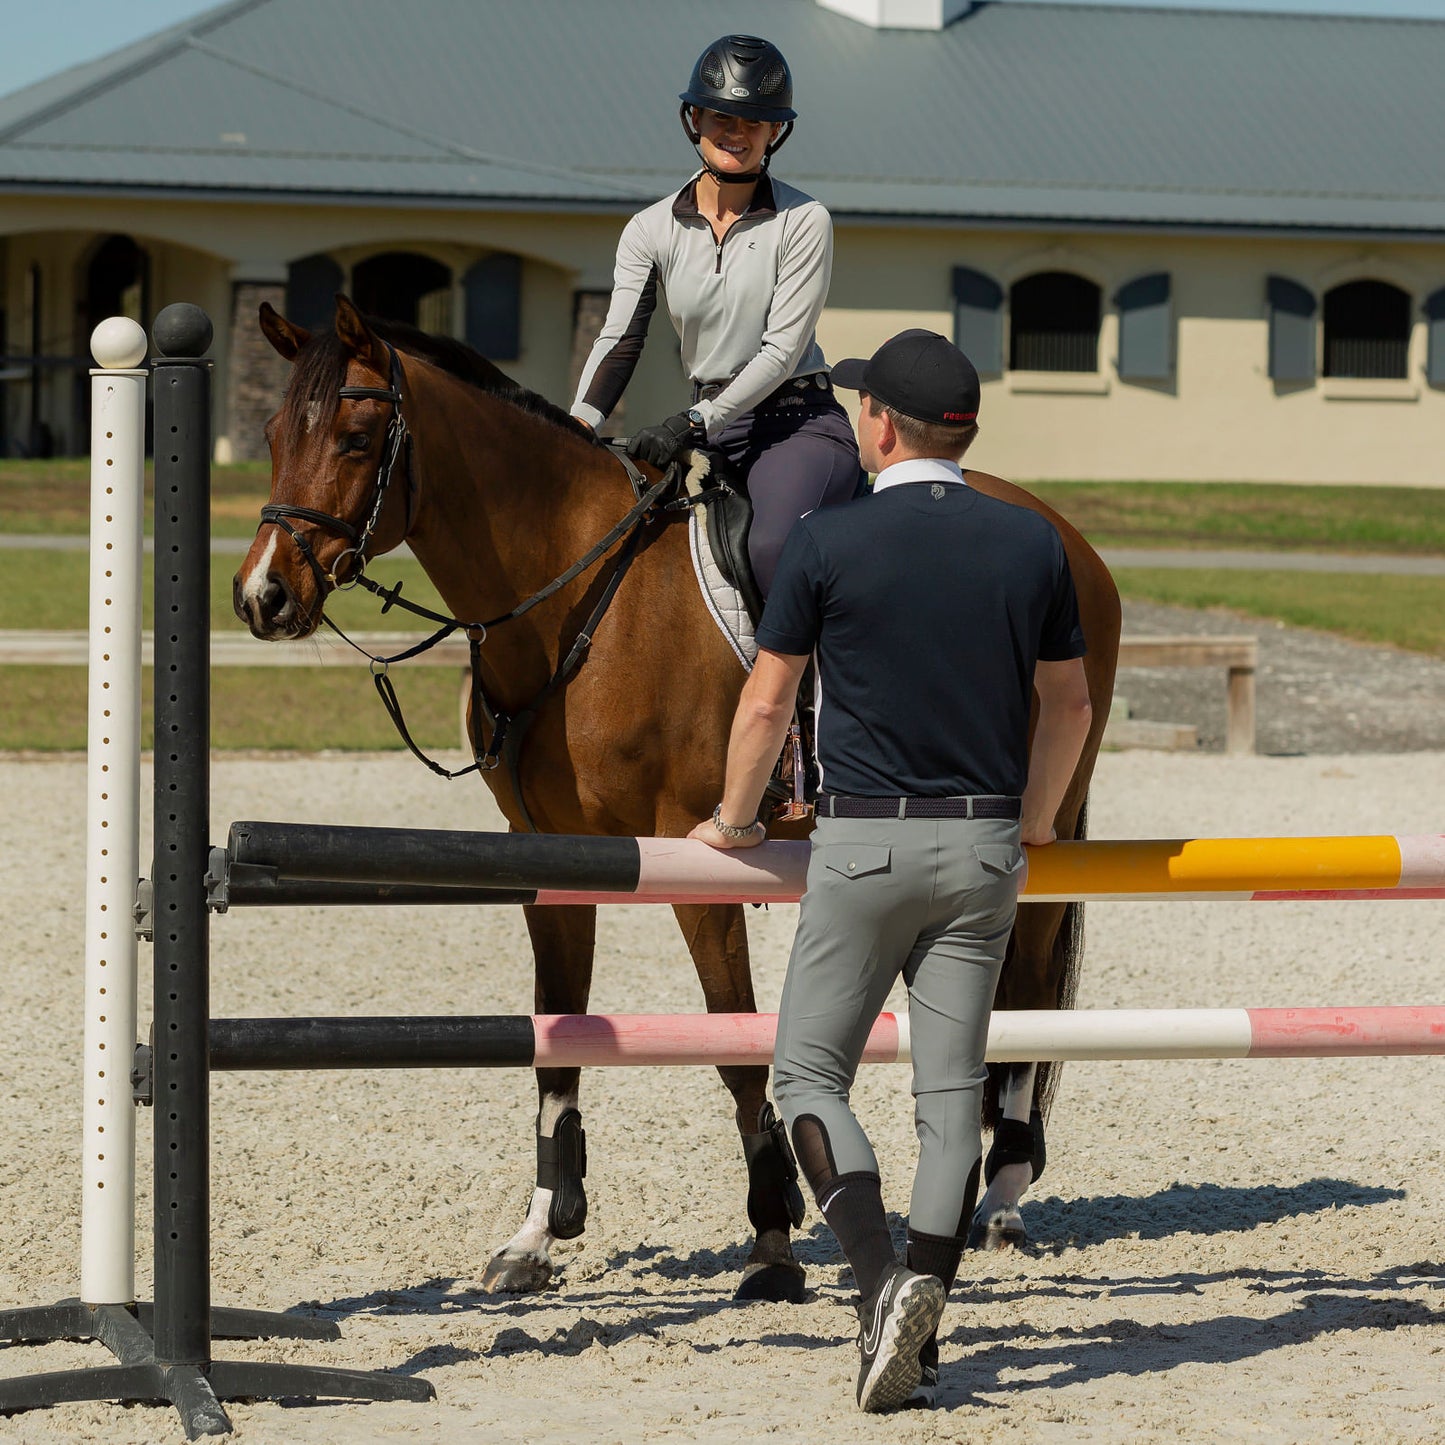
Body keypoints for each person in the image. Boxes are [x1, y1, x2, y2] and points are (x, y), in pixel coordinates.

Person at [688, 330, 1094, 1413]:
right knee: (950, 1102)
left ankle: (879, 1286)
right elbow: (1069, 705)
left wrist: (734, 820)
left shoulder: (827, 538)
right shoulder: (1030, 542)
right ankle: (919, 1322)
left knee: (806, 1077)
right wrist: (1038, 819)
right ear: (964, 430)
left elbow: (767, 702)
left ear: (876, 422)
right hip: (984, 849)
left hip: (866, 843)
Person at [570, 33, 862, 595]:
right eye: (722, 116)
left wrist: (695, 421)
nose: (737, 132)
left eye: (755, 121)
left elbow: (781, 353)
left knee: (772, 546)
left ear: (775, 132)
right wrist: (579, 426)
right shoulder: (649, 229)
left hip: (794, 422)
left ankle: (812, 659)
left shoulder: (805, 220)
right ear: (695, 119)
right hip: (710, 427)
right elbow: (620, 340)